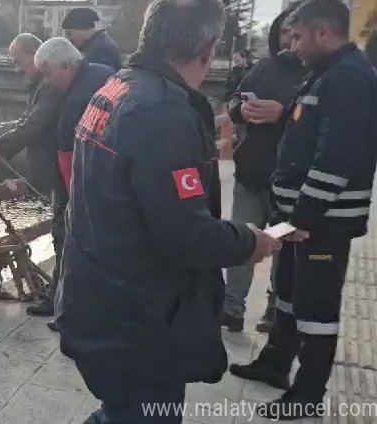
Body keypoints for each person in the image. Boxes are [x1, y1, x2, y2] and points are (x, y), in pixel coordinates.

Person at [55, 0, 281, 422]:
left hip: (96, 301)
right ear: (210, 48)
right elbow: (186, 235)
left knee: (119, 413)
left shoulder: (115, 88)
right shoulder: (161, 113)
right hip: (137, 323)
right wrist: (251, 240)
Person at [229, 0, 377, 419]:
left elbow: (336, 159)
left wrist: (303, 219)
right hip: (300, 218)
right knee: (291, 296)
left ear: (323, 33)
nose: (291, 45)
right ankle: (277, 363)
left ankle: (308, 395)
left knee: (316, 308)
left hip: (321, 224)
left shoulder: (348, 79)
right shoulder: (326, 74)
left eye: (297, 36)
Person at [221, 3, 307, 334]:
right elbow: (232, 102)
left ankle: (275, 306)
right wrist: (243, 109)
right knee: (242, 239)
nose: (289, 41)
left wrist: (284, 115)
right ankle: (231, 307)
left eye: (295, 33)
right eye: (284, 32)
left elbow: (325, 124)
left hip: (290, 181)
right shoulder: (265, 67)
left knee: (282, 247)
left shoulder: (318, 75)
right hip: (251, 172)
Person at [0, 33, 66, 318]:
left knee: (63, 233)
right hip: (57, 169)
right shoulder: (40, 85)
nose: (16, 68)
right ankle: (61, 297)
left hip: (61, 169)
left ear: (36, 56)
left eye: (19, 62)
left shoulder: (49, 86)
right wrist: (4, 150)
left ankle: (62, 300)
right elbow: (29, 121)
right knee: (61, 231)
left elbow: (36, 124)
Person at [32, 37, 114, 329]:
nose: (46, 81)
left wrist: (73, 204)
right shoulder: (106, 73)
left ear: (67, 66)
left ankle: (74, 314)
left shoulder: (77, 103)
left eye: (48, 73)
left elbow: (72, 162)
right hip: (115, 183)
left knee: (78, 248)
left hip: (90, 188)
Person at [61, 8, 122, 72]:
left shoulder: (100, 50)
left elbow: (94, 79)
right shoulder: (100, 44)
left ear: (81, 30)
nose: (69, 39)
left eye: (69, 33)